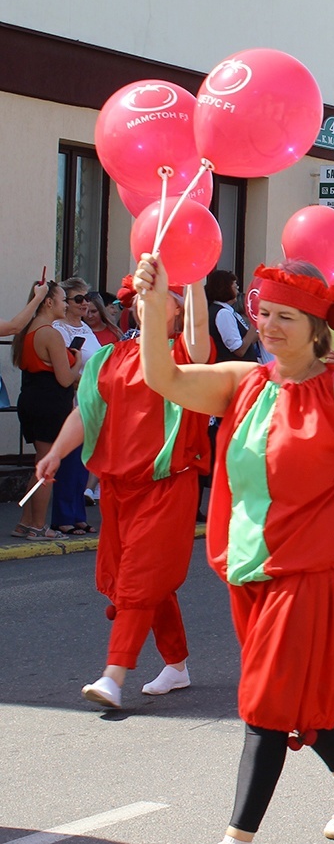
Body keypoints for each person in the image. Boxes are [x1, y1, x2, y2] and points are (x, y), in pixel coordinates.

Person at [133, 254, 334, 844]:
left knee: (264, 705)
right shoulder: (244, 383)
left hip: (307, 572)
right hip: (247, 568)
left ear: (316, 328)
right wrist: (154, 308)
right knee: (292, 697)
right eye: (264, 312)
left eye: (287, 316)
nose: (271, 325)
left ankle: (238, 837)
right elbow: (166, 379)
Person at [36, 277, 211, 709]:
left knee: (139, 579)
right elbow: (85, 411)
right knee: (140, 581)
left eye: (161, 299)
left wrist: (195, 278)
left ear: (176, 310)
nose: (148, 304)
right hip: (118, 488)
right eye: (141, 299)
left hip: (168, 484)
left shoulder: (184, 355)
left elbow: (200, 327)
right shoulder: (109, 358)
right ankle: (177, 664)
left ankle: (113, 676)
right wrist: (56, 453)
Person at [13, 282, 81, 539]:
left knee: (39, 463)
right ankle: (38, 526)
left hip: (32, 401)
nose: (67, 304)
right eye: (64, 299)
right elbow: (65, 379)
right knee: (46, 467)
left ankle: (25, 522)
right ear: (49, 302)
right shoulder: (50, 334)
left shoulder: (28, 330)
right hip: (49, 404)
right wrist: (79, 362)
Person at [50, 277, 97, 536]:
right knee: (68, 460)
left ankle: (78, 514)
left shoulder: (86, 329)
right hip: (71, 399)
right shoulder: (59, 329)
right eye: (78, 299)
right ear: (65, 303)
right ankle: (63, 516)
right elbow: (65, 365)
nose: (84, 304)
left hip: (90, 399)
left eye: (86, 299)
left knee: (84, 461)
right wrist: (82, 381)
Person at [206, 271, 261, 363]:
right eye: (235, 286)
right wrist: (253, 327)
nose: (237, 290)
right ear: (226, 288)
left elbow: (245, 342)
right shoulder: (223, 313)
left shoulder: (225, 311)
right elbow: (239, 350)